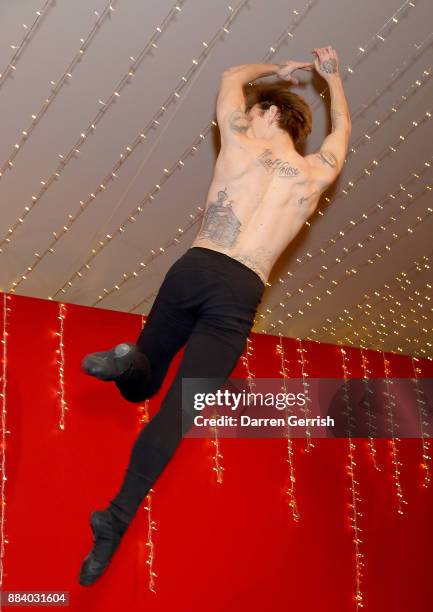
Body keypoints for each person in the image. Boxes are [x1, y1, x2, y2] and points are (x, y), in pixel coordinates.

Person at [79, 46, 351, 585]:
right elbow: (341, 128)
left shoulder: (241, 141)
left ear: (268, 114)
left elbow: (231, 73)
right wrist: (333, 81)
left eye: (255, 109)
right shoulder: (315, 173)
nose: (248, 114)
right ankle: (115, 518)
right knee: (176, 413)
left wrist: (282, 70)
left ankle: (130, 359)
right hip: (240, 293)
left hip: (195, 267)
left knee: (140, 383)